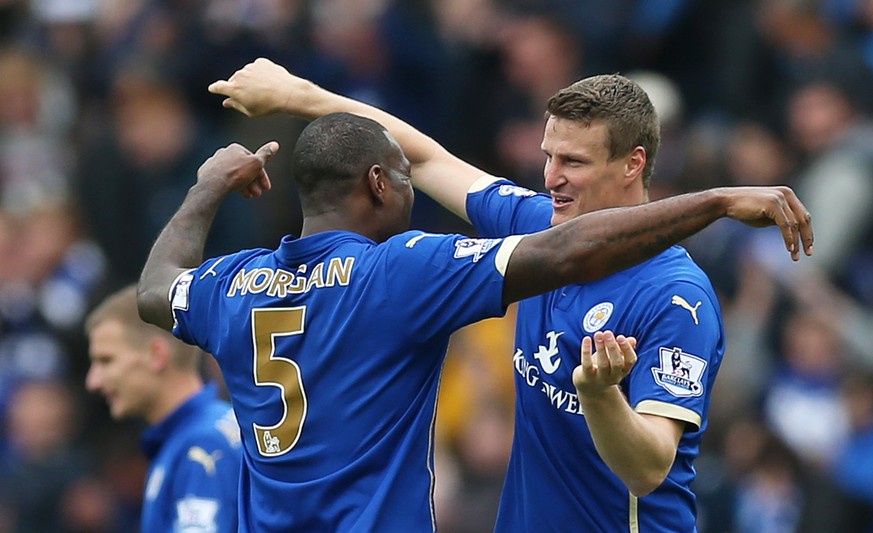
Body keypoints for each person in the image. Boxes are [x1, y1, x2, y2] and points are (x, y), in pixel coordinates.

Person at [207, 59, 815, 531]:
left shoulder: (676, 295)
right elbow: (422, 157)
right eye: (549, 155)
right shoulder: (537, 226)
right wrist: (300, 96)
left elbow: (650, 468)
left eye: (572, 161)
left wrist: (601, 398)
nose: (550, 176)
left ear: (634, 163)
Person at [85, 285, 241, 533]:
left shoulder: (202, 448)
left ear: (156, 355)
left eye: (107, 360)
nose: (93, 381)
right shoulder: (201, 433)